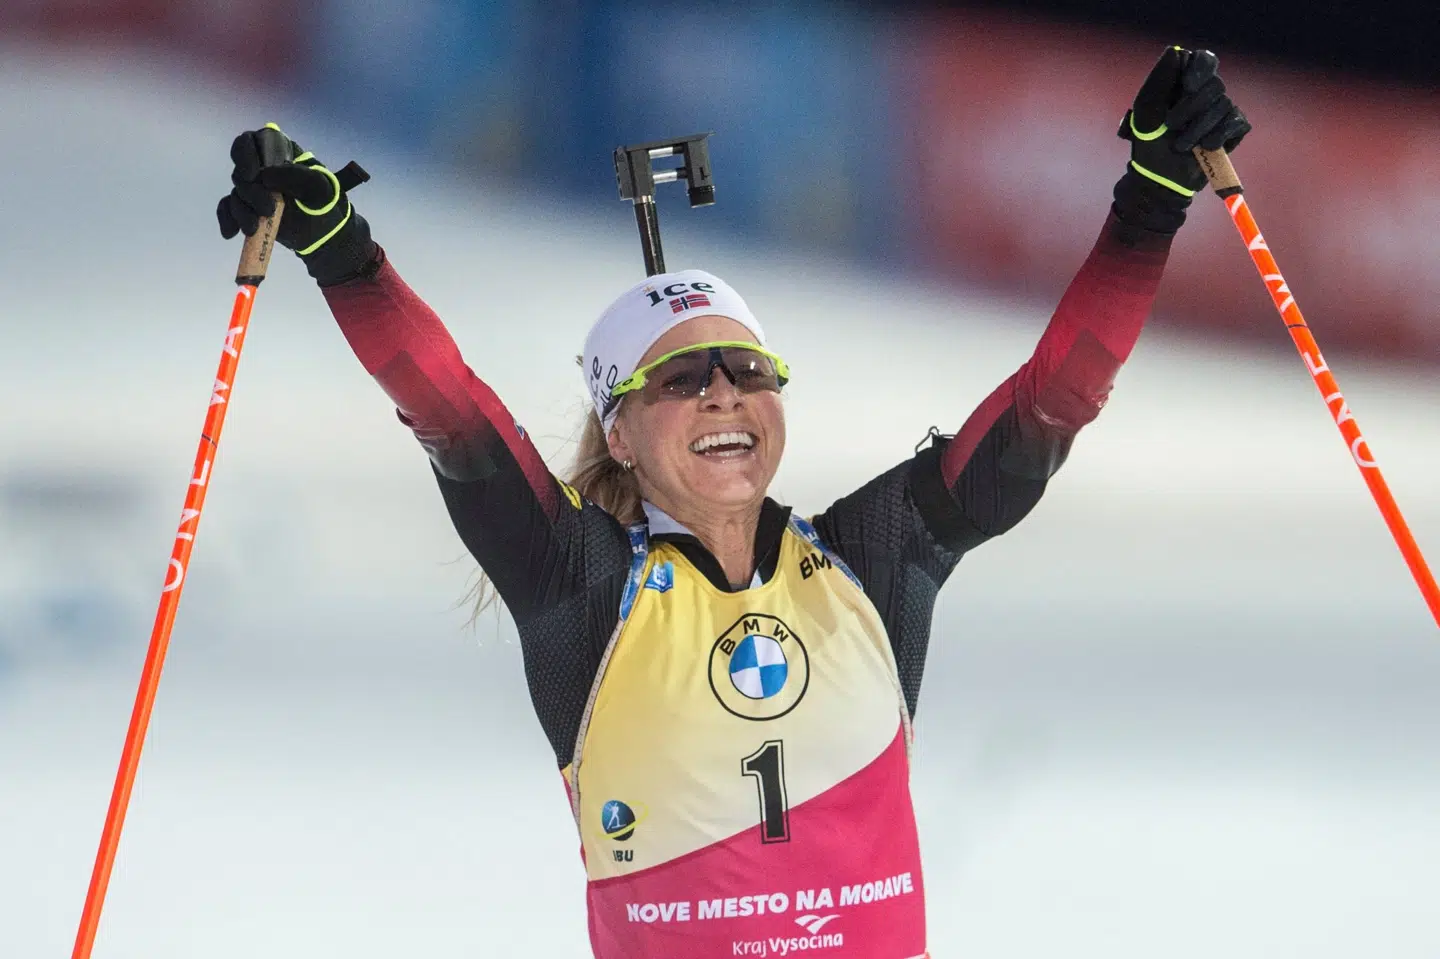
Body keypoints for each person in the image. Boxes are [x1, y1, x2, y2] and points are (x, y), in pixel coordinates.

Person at [217, 46, 1249, 959]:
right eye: (680, 379)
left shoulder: (876, 557)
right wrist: (340, 247)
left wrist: (1151, 197)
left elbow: (1055, 397)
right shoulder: (581, 586)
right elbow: (450, 407)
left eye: (747, 369)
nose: (723, 393)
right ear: (621, 434)